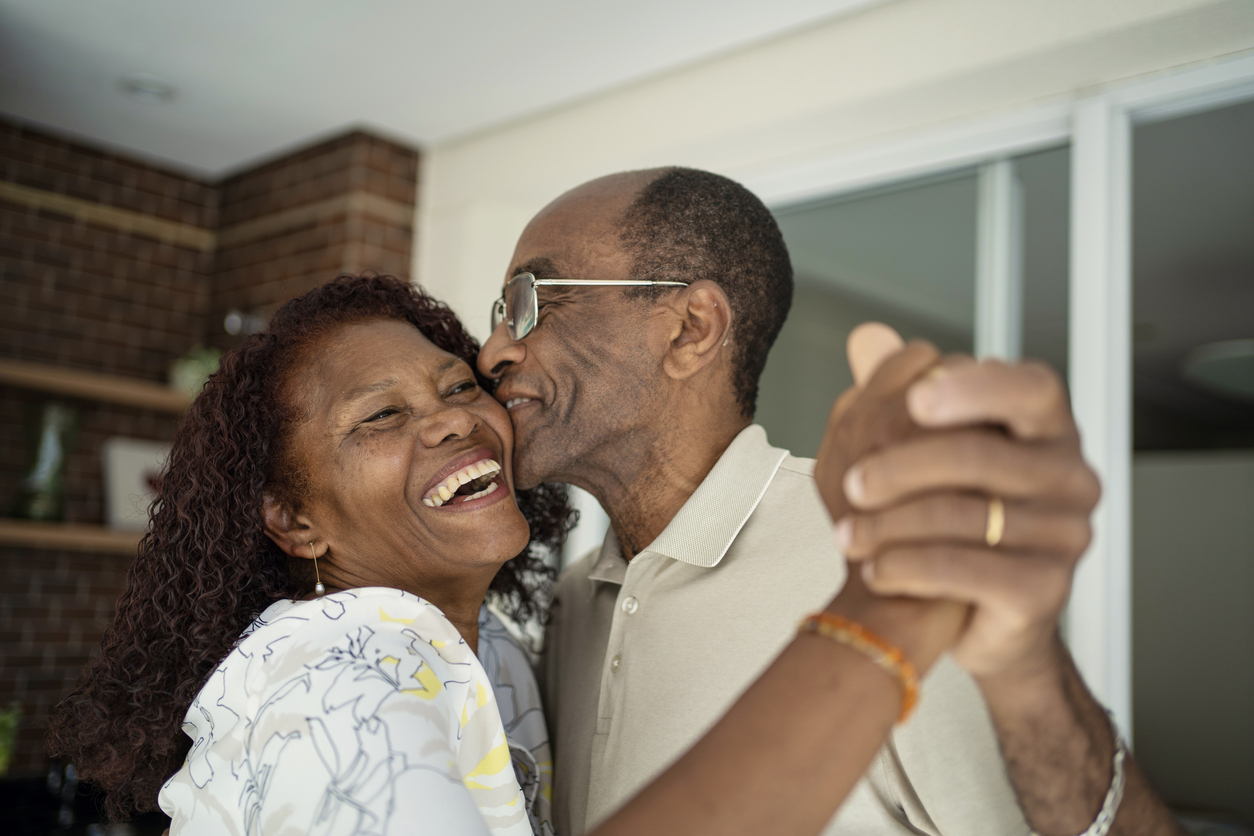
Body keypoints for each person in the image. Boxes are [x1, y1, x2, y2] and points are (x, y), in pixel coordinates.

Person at [49, 274, 985, 836]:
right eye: (382, 416)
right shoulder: (348, 669)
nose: (457, 416)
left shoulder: (496, 641)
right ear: (295, 523)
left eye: (458, 386)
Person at [476, 167, 1185, 836]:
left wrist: (1028, 670)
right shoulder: (574, 604)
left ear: (691, 328)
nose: (493, 352)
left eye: (529, 301)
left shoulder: (878, 559)